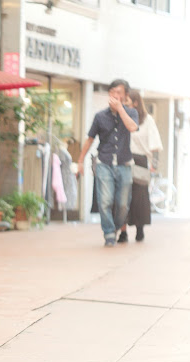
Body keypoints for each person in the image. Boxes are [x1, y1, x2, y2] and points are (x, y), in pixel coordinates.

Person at [77, 79, 139, 247]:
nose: (115, 95)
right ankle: (109, 233)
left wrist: (120, 109)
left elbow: (132, 127)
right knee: (105, 201)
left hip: (124, 163)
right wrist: (80, 160)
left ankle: (117, 226)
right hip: (104, 162)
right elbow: (90, 139)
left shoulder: (131, 113)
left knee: (123, 203)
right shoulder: (100, 116)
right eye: (112, 92)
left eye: (119, 92)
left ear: (125, 95)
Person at [118, 90, 163, 242]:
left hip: (140, 161)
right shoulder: (122, 118)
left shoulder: (147, 120)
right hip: (123, 159)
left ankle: (139, 229)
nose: (124, 105)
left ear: (135, 103)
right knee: (122, 196)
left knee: (139, 197)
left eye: (127, 102)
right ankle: (122, 231)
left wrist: (154, 165)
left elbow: (155, 144)